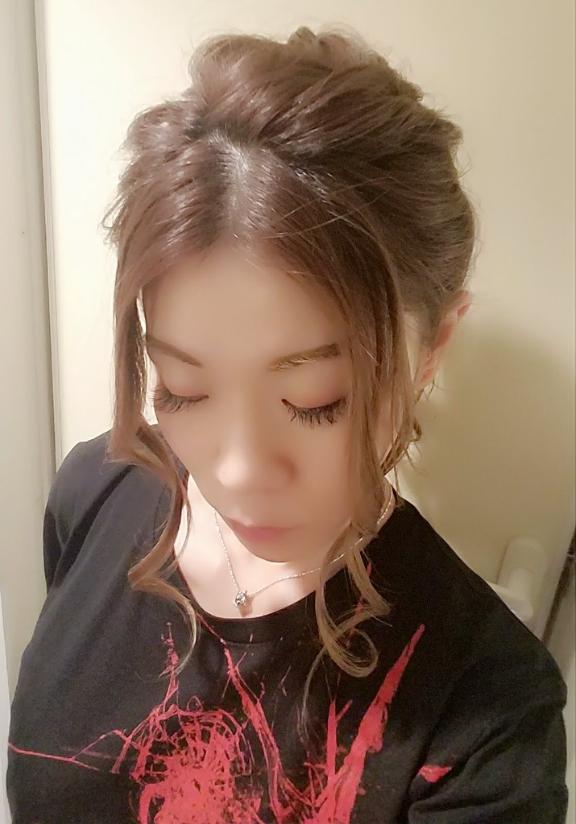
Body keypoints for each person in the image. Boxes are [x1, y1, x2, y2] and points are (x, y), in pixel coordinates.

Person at [6, 24, 568, 824]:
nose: (235, 471)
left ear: (435, 344)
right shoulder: (95, 490)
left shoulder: (487, 709)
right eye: (183, 389)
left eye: (316, 399)